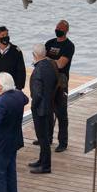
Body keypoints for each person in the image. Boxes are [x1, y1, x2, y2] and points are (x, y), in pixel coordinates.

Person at [44, 19, 75, 152]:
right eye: (57, 27)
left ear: (66, 30)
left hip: (61, 80)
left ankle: (63, 142)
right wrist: (50, 61)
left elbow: (61, 64)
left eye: (60, 28)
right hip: (48, 79)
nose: (58, 29)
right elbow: (41, 60)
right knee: (47, 111)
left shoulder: (69, 46)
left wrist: (47, 60)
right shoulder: (49, 43)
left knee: (61, 112)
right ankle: (47, 138)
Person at [29, 43, 59, 174]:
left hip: (40, 110)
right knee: (45, 137)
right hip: (49, 106)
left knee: (43, 138)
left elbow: (37, 94)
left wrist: (33, 107)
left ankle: (46, 165)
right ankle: (42, 160)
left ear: (34, 55)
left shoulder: (37, 71)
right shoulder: (50, 66)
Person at [0, 26, 26, 90]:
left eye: (7, 34)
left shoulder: (16, 51)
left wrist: (19, 88)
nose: (6, 37)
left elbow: (21, 71)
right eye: (3, 35)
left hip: (11, 87)